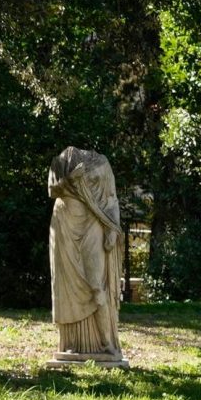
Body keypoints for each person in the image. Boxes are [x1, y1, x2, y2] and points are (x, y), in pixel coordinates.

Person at [47, 145, 124, 363]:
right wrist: (70, 179)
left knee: (96, 284)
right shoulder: (61, 159)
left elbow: (111, 198)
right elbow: (52, 190)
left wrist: (111, 227)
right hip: (64, 225)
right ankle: (71, 343)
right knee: (66, 287)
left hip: (93, 223)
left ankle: (106, 343)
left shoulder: (103, 162)